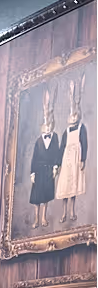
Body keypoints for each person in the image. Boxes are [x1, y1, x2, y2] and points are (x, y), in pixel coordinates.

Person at [56, 75, 88, 224]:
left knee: (73, 186)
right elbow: (61, 147)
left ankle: (72, 211)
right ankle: (63, 212)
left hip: (76, 158)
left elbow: (84, 143)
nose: (73, 116)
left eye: (75, 114)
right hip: (67, 159)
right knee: (65, 186)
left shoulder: (81, 128)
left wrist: (83, 159)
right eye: (71, 114)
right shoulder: (66, 131)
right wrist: (58, 163)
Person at [29, 87, 60, 228]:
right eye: (46, 125)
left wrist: (55, 167)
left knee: (46, 195)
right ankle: (36, 218)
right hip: (39, 170)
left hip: (48, 169)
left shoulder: (55, 138)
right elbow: (34, 158)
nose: (48, 128)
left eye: (50, 125)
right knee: (37, 197)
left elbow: (56, 153)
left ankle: (43, 218)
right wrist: (32, 173)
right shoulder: (38, 141)